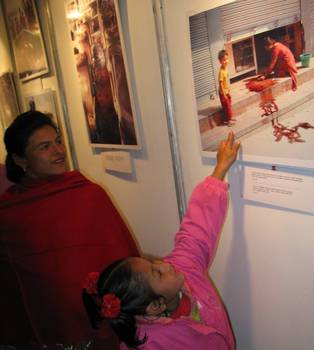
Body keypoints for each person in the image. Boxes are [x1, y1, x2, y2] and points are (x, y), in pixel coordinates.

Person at [83, 131, 241, 349]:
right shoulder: (153, 344)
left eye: (153, 263)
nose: (165, 264)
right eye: (157, 272)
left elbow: (196, 231)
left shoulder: (183, 270)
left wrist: (219, 171)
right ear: (155, 305)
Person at [0, 111, 139, 350]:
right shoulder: (8, 212)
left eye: (58, 141)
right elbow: (10, 283)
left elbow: (122, 259)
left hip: (99, 323)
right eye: (45, 146)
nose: (58, 151)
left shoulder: (90, 195)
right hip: (45, 332)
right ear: (20, 159)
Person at [218, 49, 234, 125]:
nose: (226, 61)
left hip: (226, 91)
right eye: (224, 60)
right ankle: (228, 121)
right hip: (223, 92)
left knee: (229, 104)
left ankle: (230, 118)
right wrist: (224, 94)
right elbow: (220, 83)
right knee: (226, 106)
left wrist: (228, 90)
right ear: (220, 61)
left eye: (227, 59)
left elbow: (226, 80)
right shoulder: (221, 71)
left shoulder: (226, 68)